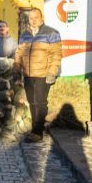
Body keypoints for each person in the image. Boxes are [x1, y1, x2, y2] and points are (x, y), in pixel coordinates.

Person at [14, 8, 62, 143]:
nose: (33, 20)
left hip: (43, 74)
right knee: (32, 102)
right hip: (29, 75)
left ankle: (38, 132)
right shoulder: (24, 34)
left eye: (36, 17)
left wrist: (52, 73)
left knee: (41, 102)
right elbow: (19, 54)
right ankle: (36, 128)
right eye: (31, 18)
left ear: (41, 17)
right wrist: (17, 72)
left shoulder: (51, 33)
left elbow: (56, 55)